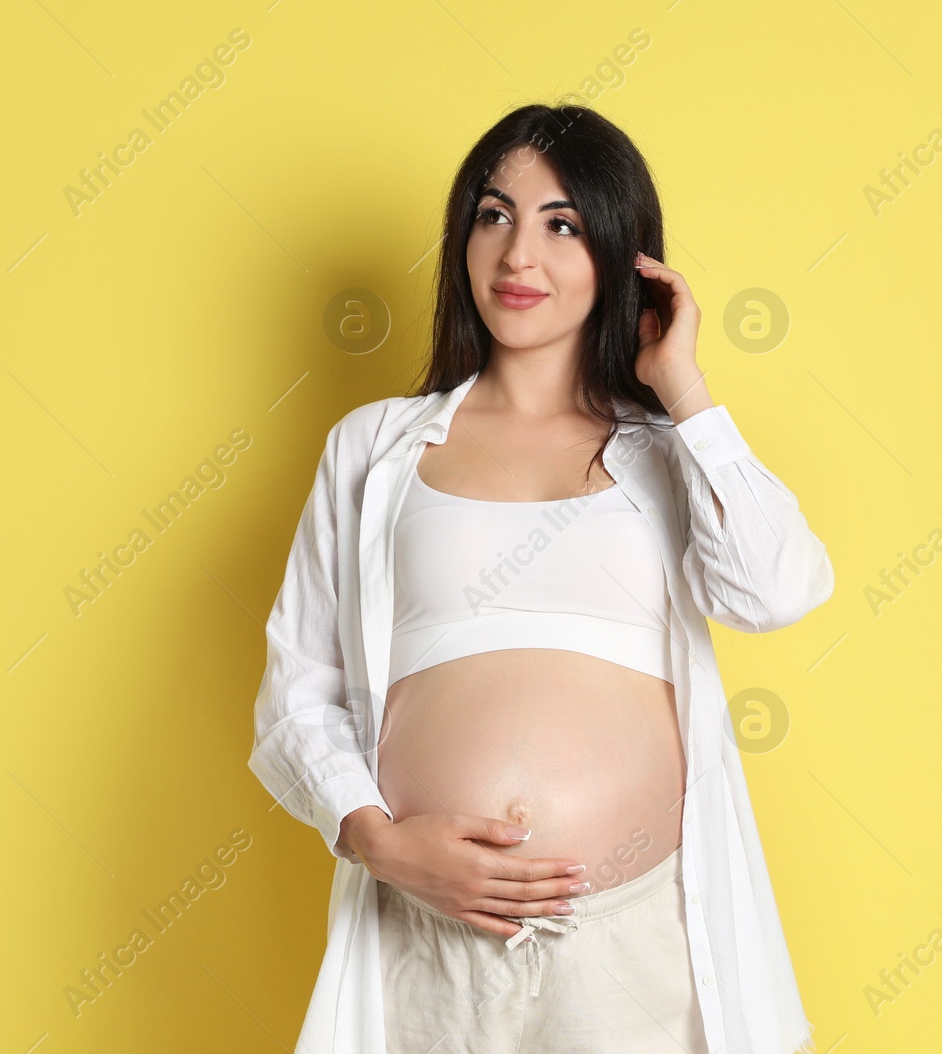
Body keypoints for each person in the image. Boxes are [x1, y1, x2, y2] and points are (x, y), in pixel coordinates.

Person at [248, 102, 833, 1054]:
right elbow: (297, 690)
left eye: (561, 224)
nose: (519, 254)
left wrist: (682, 387)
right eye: (493, 214)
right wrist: (378, 841)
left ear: (622, 255)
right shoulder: (373, 448)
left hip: (639, 942)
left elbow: (778, 589)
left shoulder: (661, 452)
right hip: (428, 935)